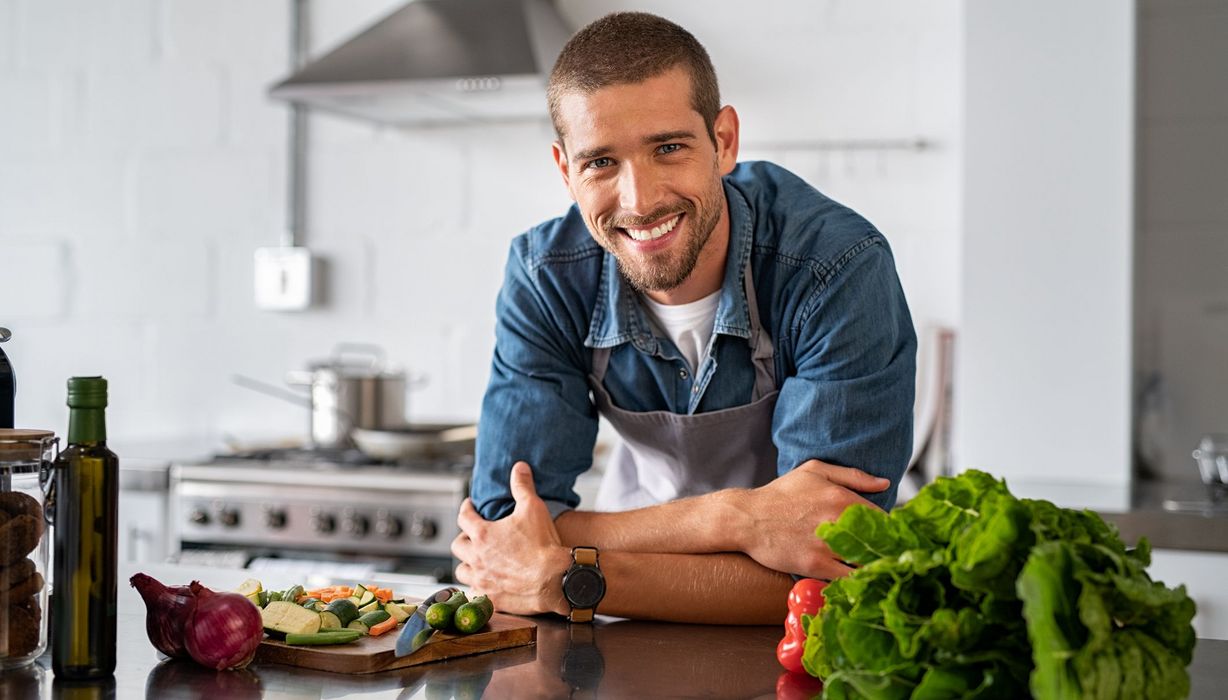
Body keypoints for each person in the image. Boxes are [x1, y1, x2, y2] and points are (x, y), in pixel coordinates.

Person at [452, 11, 916, 624]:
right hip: (620, 626)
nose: (639, 201)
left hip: (804, 643)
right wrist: (736, 518)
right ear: (566, 170)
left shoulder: (834, 266)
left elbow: (828, 564)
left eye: (668, 148)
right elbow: (507, 532)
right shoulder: (548, 276)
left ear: (723, 142)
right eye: (601, 163)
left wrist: (574, 575)